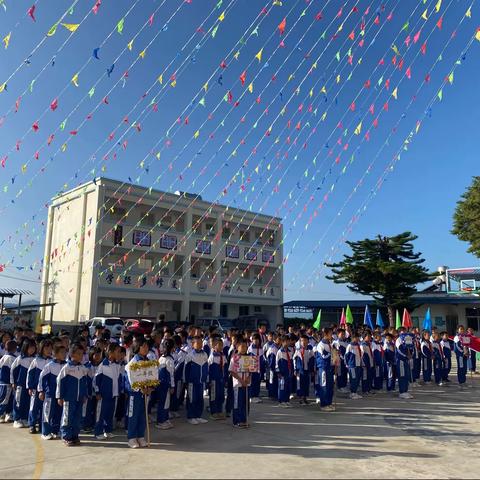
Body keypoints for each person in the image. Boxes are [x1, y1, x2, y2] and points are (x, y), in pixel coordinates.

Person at [56, 343, 88, 446]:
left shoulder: (83, 368)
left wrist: (85, 395)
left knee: (77, 417)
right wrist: (60, 397)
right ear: (72, 354)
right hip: (68, 398)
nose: (80, 356)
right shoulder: (67, 368)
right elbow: (60, 382)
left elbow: (85, 383)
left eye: (82, 354)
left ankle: (74, 435)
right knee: (67, 417)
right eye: (78, 354)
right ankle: (66, 436)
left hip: (79, 398)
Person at [125, 338, 151, 448]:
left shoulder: (148, 361)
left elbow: (152, 375)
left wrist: (150, 387)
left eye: (147, 346)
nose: (146, 348)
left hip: (145, 393)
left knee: (143, 415)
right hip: (134, 394)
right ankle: (131, 438)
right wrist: (140, 388)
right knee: (133, 415)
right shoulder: (133, 363)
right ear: (137, 348)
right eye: (143, 346)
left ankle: (140, 436)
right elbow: (131, 380)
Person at [37, 344, 67, 440]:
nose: (64, 354)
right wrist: (41, 391)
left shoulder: (66, 365)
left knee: (59, 413)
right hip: (50, 393)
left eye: (65, 352)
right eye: (62, 352)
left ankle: (55, 430)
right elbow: (42, 378)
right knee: (47, 413)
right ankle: (45, 432)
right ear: (55, 354)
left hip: (61, 395)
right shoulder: (49, 365)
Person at [94, 343, 121, 439]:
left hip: (113, 394)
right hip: (104, 395)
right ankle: (98, 431)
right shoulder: (102, 365)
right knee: (101, 413)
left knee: (110, 413)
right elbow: (96, 380)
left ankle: (108, 430)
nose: (119, 353)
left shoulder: (117, 365)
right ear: (110, 352)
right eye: (117, 351)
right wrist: (97, 392)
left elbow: (118, 379)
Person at [11, 338, 37, 428]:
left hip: (30, 386)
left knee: (27, 402)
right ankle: (16, 419)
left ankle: (24, 418)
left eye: (33, 347)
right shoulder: (20, 358)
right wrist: (13, 382)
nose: (32, 349)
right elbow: (13, 370)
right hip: (20, 384)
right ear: (25, 347)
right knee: (18, 401)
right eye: (30, 347)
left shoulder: (35, 359)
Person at [184, 336, 208, 425]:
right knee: (192, 399)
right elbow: (185, 370)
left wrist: (206, 379)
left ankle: (198, 416)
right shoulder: (190, 355)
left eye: (201, 343)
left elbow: (206, 367)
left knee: (199, 399)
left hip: (201, 382)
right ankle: (191, 416)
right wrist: (185, 381)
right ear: (193, 344)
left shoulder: (205, 354)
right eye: (197, 343)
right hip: (192, 382)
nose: (199, 345)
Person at [228, 337, 251, 428]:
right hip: (238, 385)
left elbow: (251, 371)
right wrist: (241, 380)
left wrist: (248, 378)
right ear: (237, 347)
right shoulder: (235, 358)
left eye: (245, 346)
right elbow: (232, 371)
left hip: (247, 384)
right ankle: (236, 421)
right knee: (238, 403)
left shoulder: (248, 358)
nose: (244, 348)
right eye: (242, 346)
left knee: (246, 403)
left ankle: (244, 419)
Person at [155, 338, 175, 430]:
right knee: (164, 403)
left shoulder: (162, 358)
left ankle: (165, 418)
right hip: (165, 385)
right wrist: (172, 386)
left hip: (162, 385)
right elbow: (171, 375)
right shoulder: (168, 360)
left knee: (165, 402)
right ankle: (161, 421)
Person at [315, 328, 335, 411]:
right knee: (324, 386)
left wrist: (335, 353)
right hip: (323, 368)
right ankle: (323, 404)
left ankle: (329, 403)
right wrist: (331, 353)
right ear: (326, 334)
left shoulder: (330, 344)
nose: (332, 335)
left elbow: (332, 355)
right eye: (330, 333)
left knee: (330, 386)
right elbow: (323, 356)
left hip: (330, 368)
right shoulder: (321, 345)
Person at [294, 334, 314, 404]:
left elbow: (312, 360)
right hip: (300, 370)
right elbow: (294, 360)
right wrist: (295, 369)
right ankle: (300, 398)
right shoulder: (298, 350)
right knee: (300, 384)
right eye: (302, 341)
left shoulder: (310, 350)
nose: (304, 342)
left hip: (307, 370)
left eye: (305, 340)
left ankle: (305, 397)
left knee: (306, 384)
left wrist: (312, 370)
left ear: (308, 341)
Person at [208, 337, 225, 420]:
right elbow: (208, 369)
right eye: (219, 345)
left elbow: (225, 368)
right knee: (214, 396)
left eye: (222, 345)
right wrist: (209, 380)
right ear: (214, 346)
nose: (221, 347)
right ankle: (213, 412)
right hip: (214, 380)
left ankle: (219, 410)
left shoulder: (223, 356)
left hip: (221, 379)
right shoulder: (212, 357)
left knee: (221, 395)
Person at [0, 340, 17, 422]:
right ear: (15, 348)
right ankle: (2, 414)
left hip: (3, 382)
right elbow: (12, 371)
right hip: (7, 382)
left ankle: (6, 414)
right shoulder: (12, 358)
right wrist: (12, 381)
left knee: (6, 398)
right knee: (5, 399)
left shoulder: (4, 357)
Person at [276, 335, 293, 407]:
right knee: (282, 387)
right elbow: (276, 363)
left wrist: (292, 370)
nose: (287, 343)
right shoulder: (280, 352)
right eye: (286, 341)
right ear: (282, 342)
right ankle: (281, 401)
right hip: (282, 372)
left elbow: (291, 362)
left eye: (288, 341)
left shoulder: (290, 351)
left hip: (288, 371)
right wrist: (278, 372)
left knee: (288, 386)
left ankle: (286, 400)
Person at [395, 328, 413, 399]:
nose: (404, 333)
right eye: (403, 332)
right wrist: (406, 355)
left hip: (406, 360)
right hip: (401, 360)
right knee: (402, 375)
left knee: (406, 375)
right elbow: (400, 350)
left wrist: (411, 353)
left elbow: (411, 348)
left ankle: (405, 390)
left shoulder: (407, 339)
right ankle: (402, 392)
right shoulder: (398, 340)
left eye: (405, 332)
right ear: (399, 333)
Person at [345, 332, 362, 399]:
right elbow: (346, 356)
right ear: (353, 338)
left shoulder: (358, 345)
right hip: (352, 366)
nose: (358, 339)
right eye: (357, 337)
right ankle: (352, 393)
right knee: (353, 379)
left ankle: (355, 392)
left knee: (357, 379)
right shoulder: (350, 346)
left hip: (358, 365)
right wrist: (348, 364)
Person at [247, 333, 263, 403]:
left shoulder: (260, 349)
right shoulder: (250, 349)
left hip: (259, 368)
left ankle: (256, 396)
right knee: (252, 382)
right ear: (252, 340)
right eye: (254, 339)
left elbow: (262, 358)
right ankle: (251, 396)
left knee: (257, 382)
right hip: (252, 368)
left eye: (257, 339)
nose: (256, 341)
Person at [332, 329, 349, 393]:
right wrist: (335, 361)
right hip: (339, 361)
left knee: (344, 373)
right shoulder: (335, 342)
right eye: (342, 334)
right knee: (339, 374)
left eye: (344, 334)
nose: (343, 335)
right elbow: (334, 352)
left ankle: (344, 386)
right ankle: (340, 387)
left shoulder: (346, 343)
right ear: (338, 334)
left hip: (345, 361)